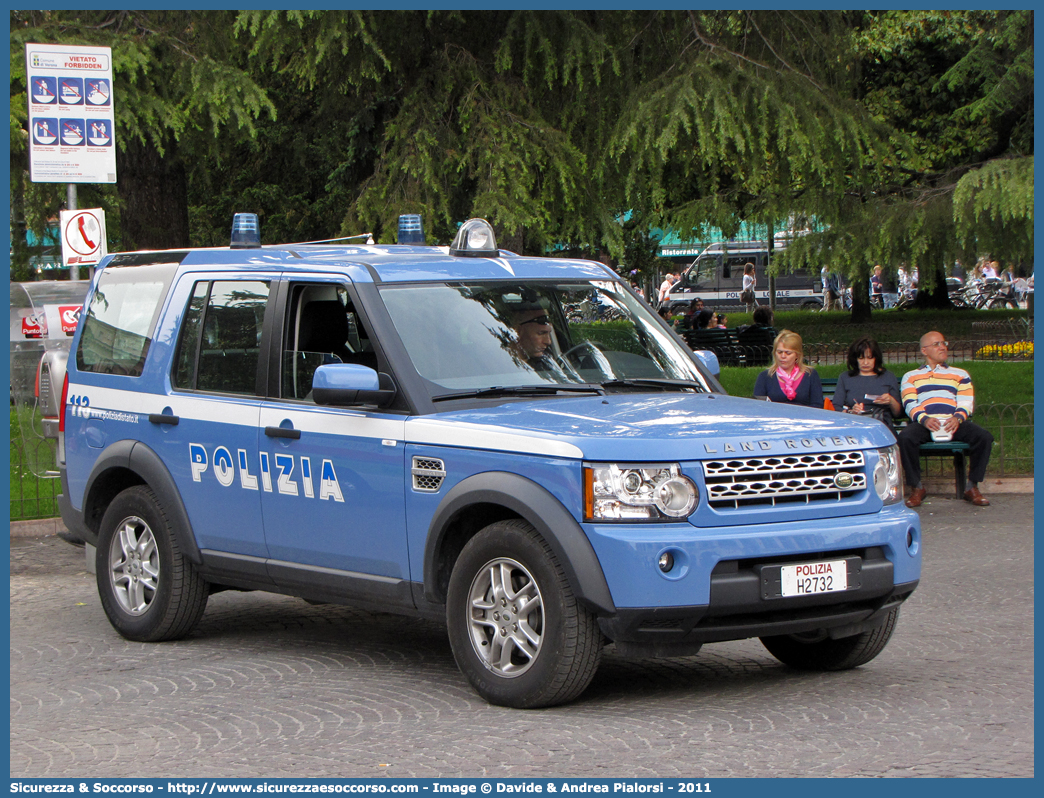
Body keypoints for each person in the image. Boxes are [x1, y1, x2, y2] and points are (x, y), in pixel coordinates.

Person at [899, 332, 993, 508]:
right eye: (936, 344)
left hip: (953, 422)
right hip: (925, 423)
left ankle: (972, 487)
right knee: (905, 438)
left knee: (984, 437)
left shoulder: (960, 374)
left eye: (944, 343)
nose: (943, 347)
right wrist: (925, 419)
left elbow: (966, 401)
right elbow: (910, 402)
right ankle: (917, 488)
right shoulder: (910, 376)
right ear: (924, 351)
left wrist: (958, 418)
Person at [834, 337, 902, 430]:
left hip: (881, 424)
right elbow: (836, 407)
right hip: (854, 423)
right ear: (855, 359)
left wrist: (891, 401)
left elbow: (898, 413)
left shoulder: (888, 377)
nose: (865, 362)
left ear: (876, 358)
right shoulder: (845, 378)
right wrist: (851, 411)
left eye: (870, 358)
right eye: (861, 358)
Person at [753, 330, 823, 407]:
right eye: (779, 352)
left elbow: (817, 405)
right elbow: (758, 406)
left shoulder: (810, 375)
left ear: (797, 355)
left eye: (788, 353)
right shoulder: (765, 376)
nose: (783, 356)